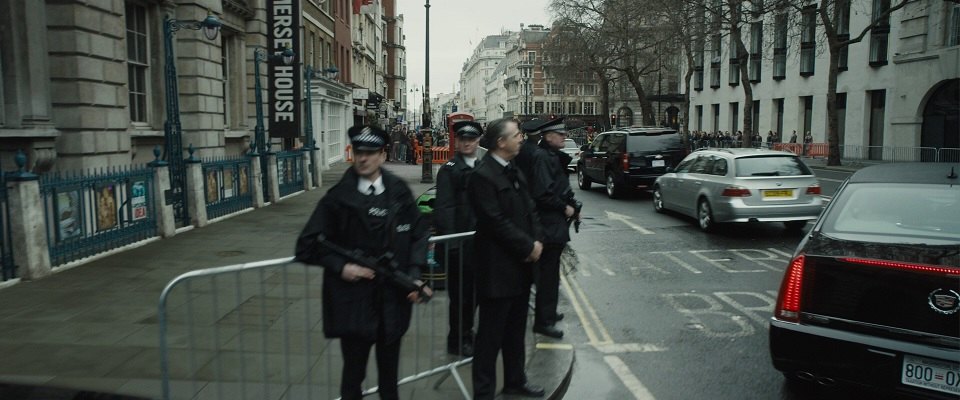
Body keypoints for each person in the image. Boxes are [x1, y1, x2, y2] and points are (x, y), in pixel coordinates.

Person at [294, 125, 432, 400]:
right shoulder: (337, 198)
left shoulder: (399, 192)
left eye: (370, 153)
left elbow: (419, 233)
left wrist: (415, 273)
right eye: (358, 152)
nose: (363, 158)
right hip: (354, 302)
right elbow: (306, 245)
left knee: (389, 378)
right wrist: (343, 267)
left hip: (392, 301)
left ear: (383, 155)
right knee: (353, 376)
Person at [468, 118, 545, 400]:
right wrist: (527, 246)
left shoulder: (513, 169)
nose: (521, 138)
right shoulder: (483, 175)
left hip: (521, 269)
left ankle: (515, 381)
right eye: (516, 135)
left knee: (515, 331)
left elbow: (530, 208)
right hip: (497, 270)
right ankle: (484, 393)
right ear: (501, 142)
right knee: (489, 338)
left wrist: (538, 239)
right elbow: (494, 221)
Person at [435, 120, 484, 357]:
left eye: (471, 139)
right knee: (460, 298)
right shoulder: (449, 169)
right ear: (457, 141)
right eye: (463, 139)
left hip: (479, 245)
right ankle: (457, 339)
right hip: (460, 246)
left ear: (477, 141)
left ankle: (468, 332)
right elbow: (444, 210)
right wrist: (452, 245)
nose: (467, 143)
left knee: (474, 296)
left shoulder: (483, 166)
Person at [527, 117, 579, 339]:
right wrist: (565, 208)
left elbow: (561, 187)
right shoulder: (542, 159)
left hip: (554, 225)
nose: (564, 136)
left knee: (550, 275)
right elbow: (544, 194)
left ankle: (548, 313)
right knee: (546, 277)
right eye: (560, 134)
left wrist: (574, 206)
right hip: (548, 225)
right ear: (548, 136)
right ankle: (543, 321)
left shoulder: (552, 157)